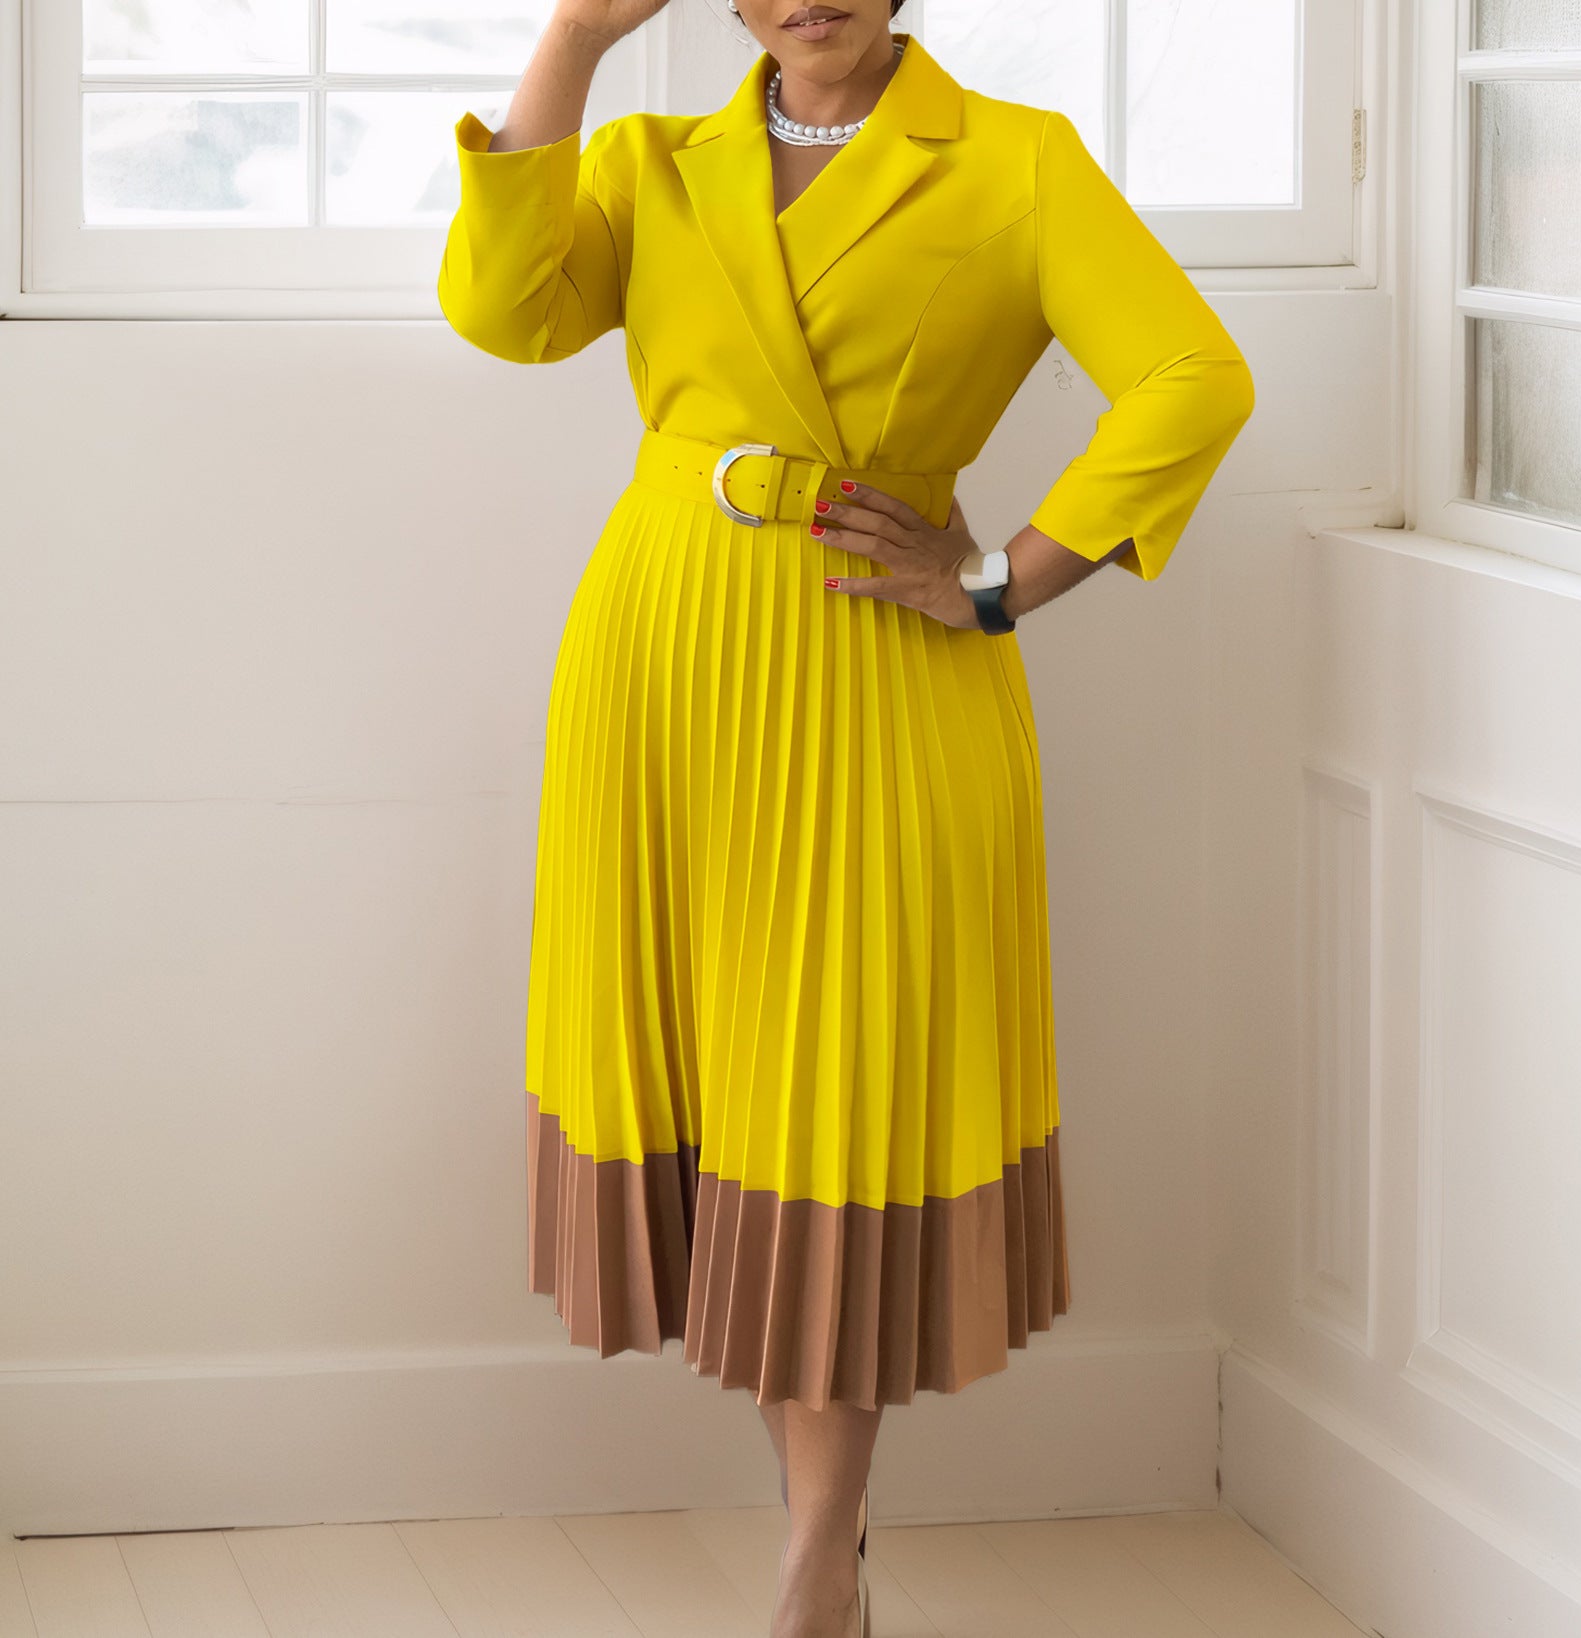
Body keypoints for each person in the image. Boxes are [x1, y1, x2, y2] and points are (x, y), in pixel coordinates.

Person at [437, 1, 1254, 1632]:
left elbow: (1192, 374)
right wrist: (578, 41)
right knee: (730, 1107)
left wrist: (1005, 580)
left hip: (881, 662)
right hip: (661, 656)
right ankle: (831, 1542)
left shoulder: (1016, 161)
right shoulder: (652, 162)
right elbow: (500, 311)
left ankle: (818, 1557)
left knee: (832, 1105)